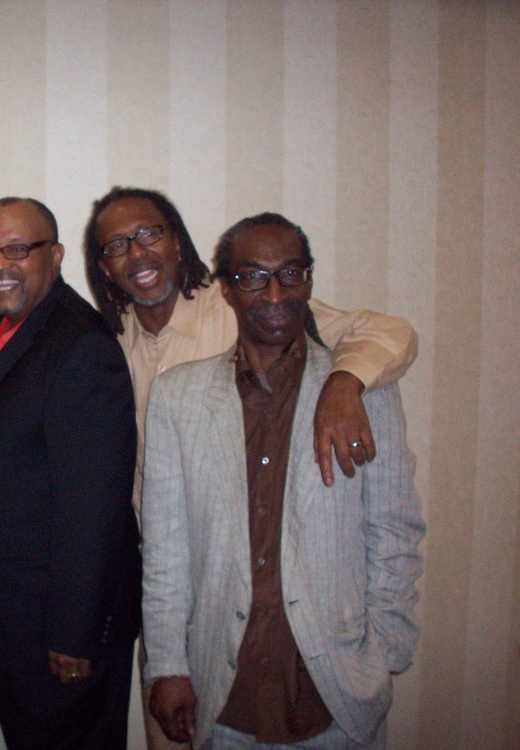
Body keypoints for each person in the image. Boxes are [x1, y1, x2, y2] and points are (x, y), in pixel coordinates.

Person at [83, 186, 418, 750]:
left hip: (320, 653)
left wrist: (346, 381)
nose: (137, 253)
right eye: (117, 245)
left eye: (149, 234)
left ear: (177, 241)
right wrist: (167, 658)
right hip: (193, 624)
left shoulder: (244, 298)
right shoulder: (113, 343)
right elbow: (163, 539)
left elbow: (389, 334)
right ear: (104, 267)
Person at [0, 197, 141, 749]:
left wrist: (74, 633)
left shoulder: (80, 345)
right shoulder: (3, 330)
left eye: (18, 249)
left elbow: (94, 509)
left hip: (59, 634)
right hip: (15, 619)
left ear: (55, 256)